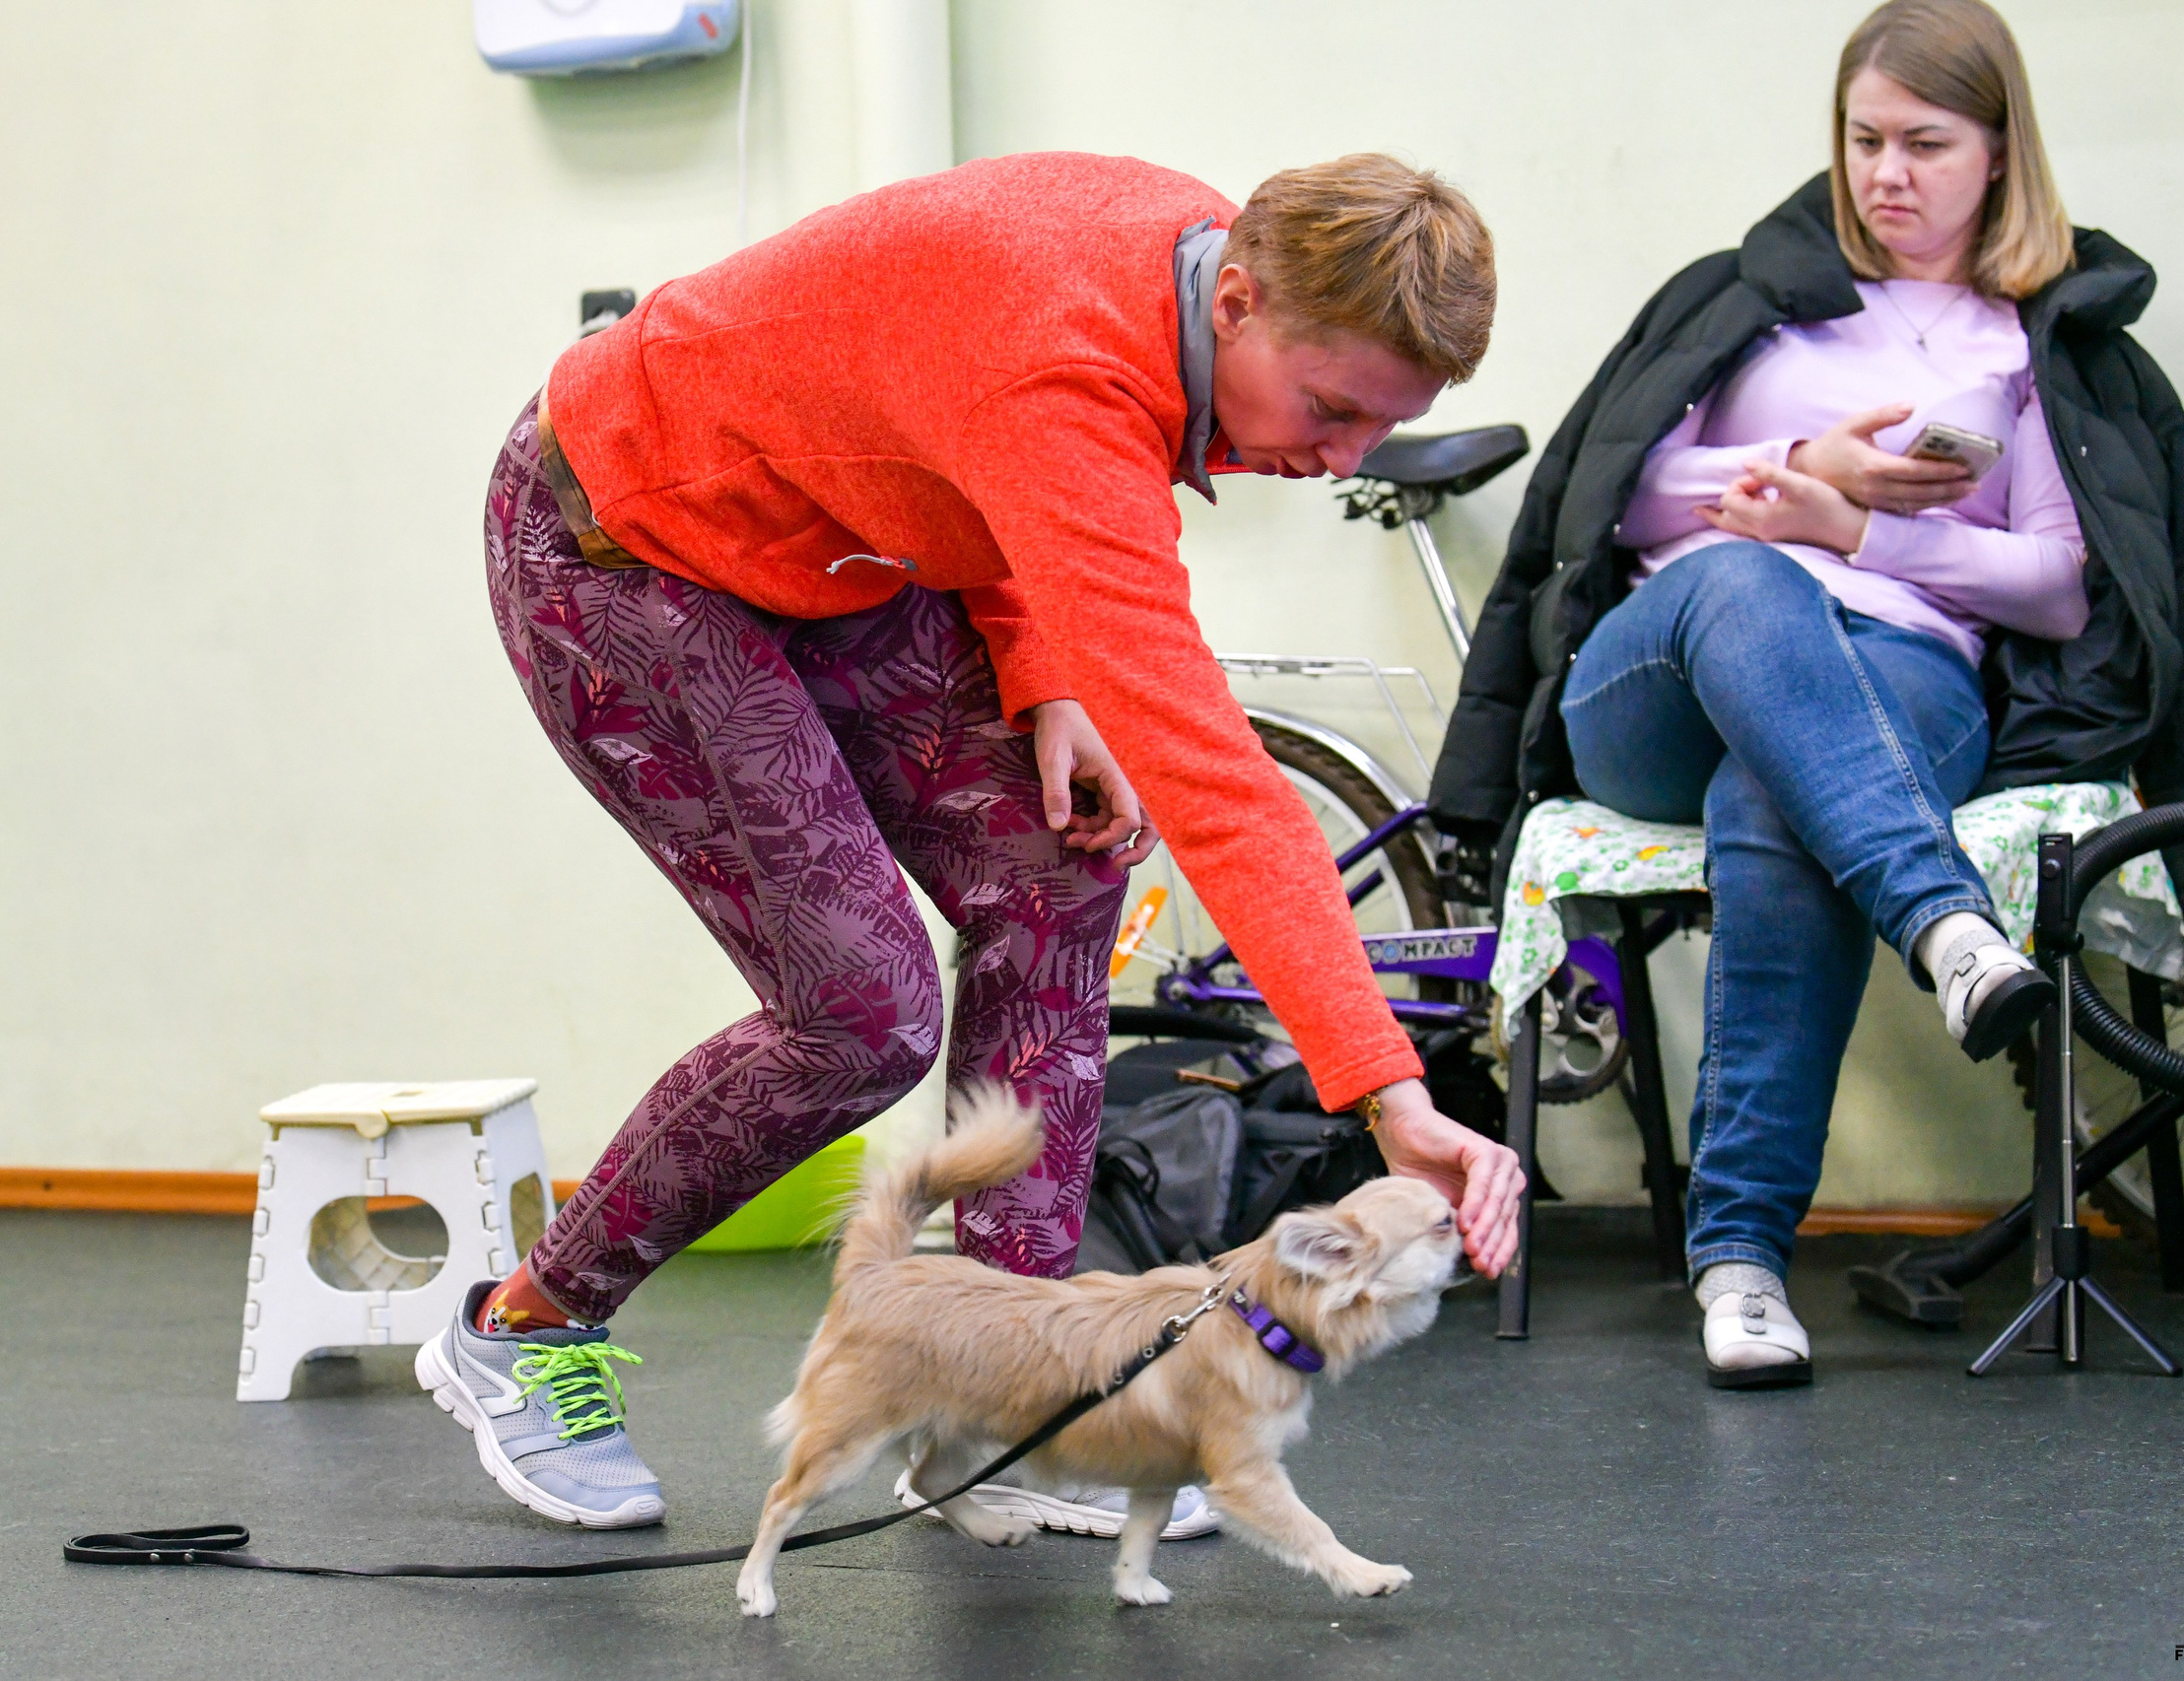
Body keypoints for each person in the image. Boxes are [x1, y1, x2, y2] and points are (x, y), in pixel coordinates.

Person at [422, 152, 1528, 1534]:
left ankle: (1003, 1412)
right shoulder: (1069, 364)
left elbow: (960, 447)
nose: (1343, 458)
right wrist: (1389, 1091)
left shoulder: (1202, 263)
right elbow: (1222, 785)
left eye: (1384, 424)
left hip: (840, 547)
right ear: (1236, 300)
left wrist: (1042, 671)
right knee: (861, 1009)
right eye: (1331, 408)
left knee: (1062, 860)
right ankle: (522, 1325)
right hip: (628, 536)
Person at [1433, 0, 2184, 1389]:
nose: (1886, 173)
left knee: (1777, 785)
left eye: (1925, 144)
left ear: (2000, 154)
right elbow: (1616, 494)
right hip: (1663, 669)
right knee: (1742, 589)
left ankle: (1744, 1263)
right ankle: (1945, 922)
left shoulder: (2035, 345)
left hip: (1901, 678)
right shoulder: (1745, 297)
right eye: (1864, 139)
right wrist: (1798, 467)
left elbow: (2064, 583)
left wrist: (1866, 536)